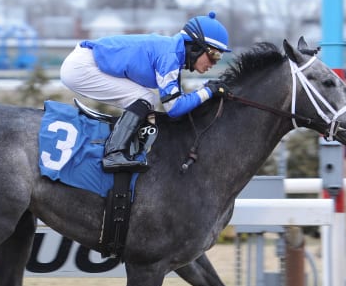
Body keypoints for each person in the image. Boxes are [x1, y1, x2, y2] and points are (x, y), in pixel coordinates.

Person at [59, 11, 231, 171]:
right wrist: (208, 91)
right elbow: (174, 108)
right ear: (196, 47)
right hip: (81, 67)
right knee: (145, 98)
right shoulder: (169, 56)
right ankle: (114, 153)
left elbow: (177, 106)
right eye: (214, 55)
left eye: (220, 57)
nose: (215, 62)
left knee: (146, 98)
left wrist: (207, 91)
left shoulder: (173, 53)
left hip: (82, 62)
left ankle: (124, 147)